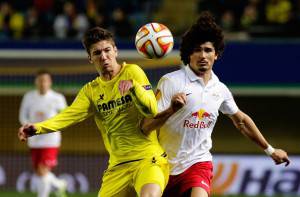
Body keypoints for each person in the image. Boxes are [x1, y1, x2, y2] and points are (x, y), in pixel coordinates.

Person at [141, 11, 290, 197]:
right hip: (163, 165)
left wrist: (270, 150)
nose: (203, 55)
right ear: (189, 54)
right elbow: (146, 127)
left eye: (208, 50)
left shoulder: (220, 89)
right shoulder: (171, 82)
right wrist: (172, 110)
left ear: (216, 55)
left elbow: (241, 121)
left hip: (198, 164)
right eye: (197, 50)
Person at [18, 27, 169, 197]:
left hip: (148, 160)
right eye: (97, 53)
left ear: (116, 51)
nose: (103, 57)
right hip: (118, 166)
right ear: (90, 58)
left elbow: (151, 110)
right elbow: (66, 117)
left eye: (107, 50)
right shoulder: (91, 91)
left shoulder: (132, 72)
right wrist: (37, 128)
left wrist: (134, 88)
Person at [19, 70, 67, 197]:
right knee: (39, 172)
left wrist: (52, 126)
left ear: (50, 82)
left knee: (42, 169)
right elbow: (22, 115)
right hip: (34, 140)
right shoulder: (29, 97)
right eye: (40, 80)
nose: (42, 83)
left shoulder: (58, 98)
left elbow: (65, 117)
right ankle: (59, 184)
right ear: (36, 82)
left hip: (51, 140)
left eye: (45, 80)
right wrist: (28, 127)